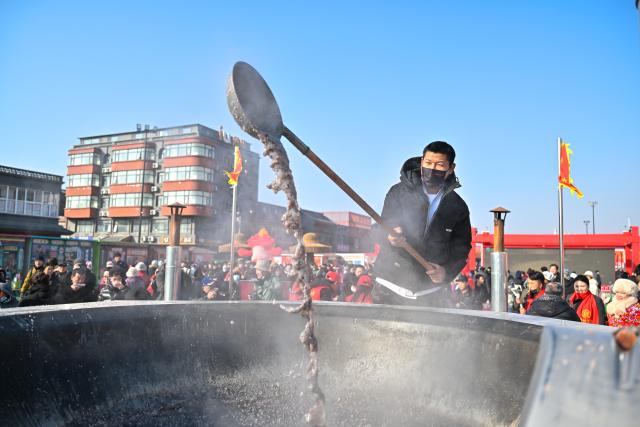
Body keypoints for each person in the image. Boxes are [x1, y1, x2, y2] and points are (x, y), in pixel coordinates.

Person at [374, 141, 471, 306]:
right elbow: (380, 228)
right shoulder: (398, 192)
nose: (432, 169)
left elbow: (461, 249)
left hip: (429, 294)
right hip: (389, 287)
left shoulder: (457, 206)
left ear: (450, 168)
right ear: (421, 162)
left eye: (439, 165)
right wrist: (389, 236)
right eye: (428, 163)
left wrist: (446, 272)